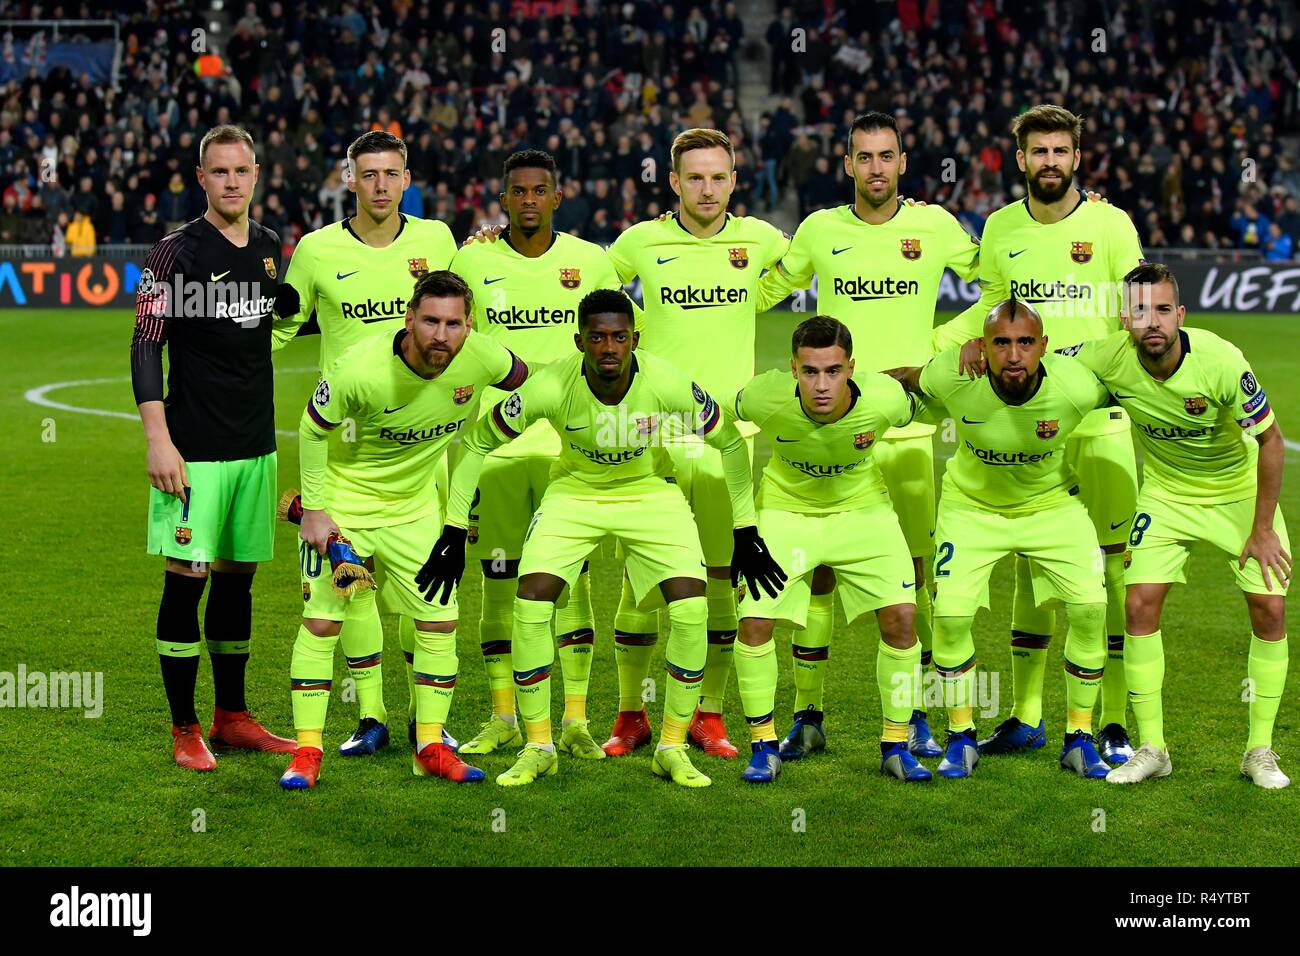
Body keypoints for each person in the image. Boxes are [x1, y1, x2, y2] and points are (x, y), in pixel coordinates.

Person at [421, 288, 785, 788]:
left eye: (619, 337)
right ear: (579, 341)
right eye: (597, 338)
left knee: (691, 608)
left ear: (635, 339)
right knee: (531, 600)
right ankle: (539, 745)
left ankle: (672, 748)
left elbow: (729, 444)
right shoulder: (551, 385)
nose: (608, 347)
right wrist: (453, 529)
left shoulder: (666, 382)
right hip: (575, 493)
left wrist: (744, 530)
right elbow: (479, 441)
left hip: (650, 492)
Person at [756, 110, 982, 760]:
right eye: (864, 156)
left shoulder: (934, 225)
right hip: (829, 420)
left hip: (907, 429)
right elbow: (767, 289)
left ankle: (912, 719)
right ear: (848, 164)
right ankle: (808, 713)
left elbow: (996, 282)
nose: (876, 168)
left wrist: (943, 345)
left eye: (887, 156)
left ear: (902, 162)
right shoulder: (821, 229)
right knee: (819, 574)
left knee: (913, 578)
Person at [932, 105, 1146, 763]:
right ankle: (1026, 716)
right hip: (1026, 421)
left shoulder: (1111, 225)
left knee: (1108, 573)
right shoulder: (1000, 226)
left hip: (1098, 422)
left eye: (1061, 150)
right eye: (1038, 152)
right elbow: (995, 307)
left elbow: (1136, 316)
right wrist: (968, 338)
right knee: (1032, 561)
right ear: (1018, 159)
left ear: (1077, 157)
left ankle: (1108, 722)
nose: (1050, 161)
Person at [279, 270, 527, 789]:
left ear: (469, 325)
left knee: (438, 623)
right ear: (409, 319)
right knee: (322, 624)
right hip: (348, 508)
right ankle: (306, 751)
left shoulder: (482, 356)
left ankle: (430, 745)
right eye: (431, 321)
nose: (442, 335)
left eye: (454, 324)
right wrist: (318, 511)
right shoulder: (362, 370)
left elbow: (530, 377)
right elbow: (311, 428)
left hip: (415, 512)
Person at [1067, 263, 1291, 788]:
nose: (1153, 322)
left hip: (1237, 493)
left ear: (1180, 315)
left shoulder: (1219, 361)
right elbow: (1044, 364)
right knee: (1139, 603)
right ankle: (1153, 747)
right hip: (1167, 494)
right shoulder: (1108, 358)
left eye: (1163, 310)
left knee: (1270, 607)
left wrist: (1262, 529)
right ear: (1125, 318)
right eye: (1141, 311)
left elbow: (1272, 441)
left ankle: (1259, 750)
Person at [274, 130, 459, 756]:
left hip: (423, 451)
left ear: (407, 178)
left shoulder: (438, 240)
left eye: (392, 173)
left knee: (424, 594)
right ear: (348, 179)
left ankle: (425, 724)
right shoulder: (317, 250)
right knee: (346, 587)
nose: (380, 184)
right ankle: (371, 716)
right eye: (367, 173)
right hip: (345, 449)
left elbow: (465, 322)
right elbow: (282, 328)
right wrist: (218, 340)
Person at [130, 124, 300, 771]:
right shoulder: (173, 252)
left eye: (242, 170)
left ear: (256, 175)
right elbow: (146, 342)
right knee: (187, 581)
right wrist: (158, 439)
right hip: (193, 448)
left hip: (255, 445)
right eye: (219, 171)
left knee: (237, 581)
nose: (231, 181)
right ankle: (184, 727)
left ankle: (233, 717)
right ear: (201, 178)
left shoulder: (265, 245)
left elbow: (268, 318)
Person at [448, 149, 623, 760]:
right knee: (498, 584)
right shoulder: (471, 259)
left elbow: (616, 344)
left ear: (556, 196)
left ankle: (574, 718)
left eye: (538, 190)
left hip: (567, 456)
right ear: (501, 200)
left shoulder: (590, 260)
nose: (527, 200)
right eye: (516, 191)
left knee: (571, 587)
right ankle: (503, 716)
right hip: (494, 452)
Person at [893, 299, 1113, 779]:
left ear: (1044, 347)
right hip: (971, 509)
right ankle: (961, 738)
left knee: (1092, 610)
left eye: (1025, 342)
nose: (1014, 354)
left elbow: (1139, 384)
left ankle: (1079, 736)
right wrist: (841, 389)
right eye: (1001, 342)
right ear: (983, 347)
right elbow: (905, 379)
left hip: (1052, 506)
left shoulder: (1075, 386)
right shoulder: (955, 375)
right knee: (950, 616)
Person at [733, 316, 932, 784]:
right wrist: (745, 527)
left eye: (834, 371)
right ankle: (763, 746)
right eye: (810, 372)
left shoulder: (883, 399)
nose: (822, 385)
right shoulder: (763, 396)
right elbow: (720, 424)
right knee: (755, 621)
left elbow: (931, 396)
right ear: (793, 369)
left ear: (852, 369)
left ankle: (895, 745)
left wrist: (936, 367)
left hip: (863, 512)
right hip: (786, 512)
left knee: (902, 618)